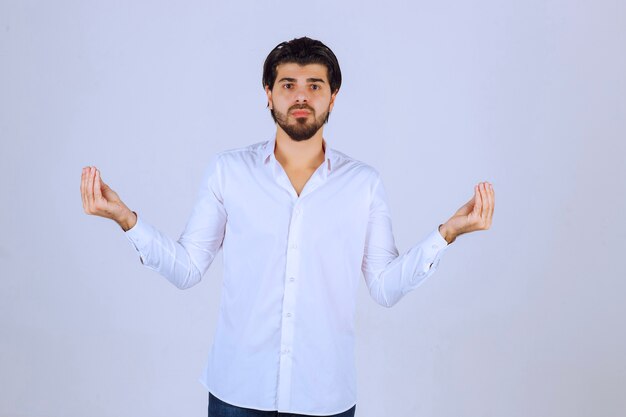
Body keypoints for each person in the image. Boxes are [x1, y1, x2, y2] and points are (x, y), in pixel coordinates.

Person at [80, 36, 495, 417]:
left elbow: (384, 286)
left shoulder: (363, 183)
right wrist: (127, 221)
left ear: (334, 97)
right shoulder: (229, 172)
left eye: (315, 85)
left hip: (325, 395)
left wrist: (447, 234)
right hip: (237, 392)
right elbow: (188, 268)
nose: (301, 96)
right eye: (288, 84)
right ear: (269, 95)